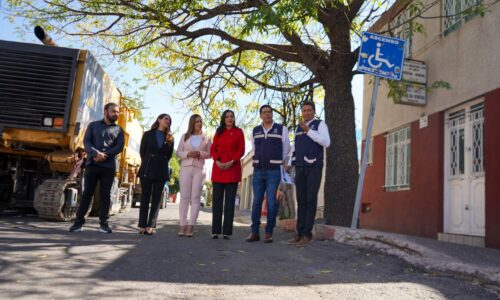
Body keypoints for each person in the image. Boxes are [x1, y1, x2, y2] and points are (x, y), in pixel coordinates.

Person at [69, 102, 125, 233]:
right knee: (87, 193)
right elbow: (87, 141)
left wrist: (104, 155)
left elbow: (119, 147)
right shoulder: (93, 126)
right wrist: (95, 153)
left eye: (117, 112)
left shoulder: (119, 130)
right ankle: (78, 223)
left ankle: (104, 224)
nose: (116, 114)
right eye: (113, 111)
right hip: (92, 164)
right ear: (105, 111)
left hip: (109, 166)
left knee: (106, 195)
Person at [288, 101, 330, 247]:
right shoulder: (299, 127)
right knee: (301, 201)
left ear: (314, 111)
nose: (307, 112)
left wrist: (309, 131)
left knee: (311, 200)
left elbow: (326, 142)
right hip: (300, 167)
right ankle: (299, 233)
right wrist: (290, 162)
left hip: (314, 167)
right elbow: (295, 147)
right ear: (302, 112)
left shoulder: (320, 124)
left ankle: (307, 234)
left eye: (309, 110)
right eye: (304, 110)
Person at [246, 105, 290, 243]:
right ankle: (254, 232)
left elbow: (286, 149)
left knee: (271, 202)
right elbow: (254, 148)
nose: (267, 114)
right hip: (258, 170)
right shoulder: (255, 131)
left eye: (269, 112)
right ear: (260, 116)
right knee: (256, 202)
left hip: (274, 171)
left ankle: (269, 233)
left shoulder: (281, 129)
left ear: (272, 114)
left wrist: (278, 162)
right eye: (264, 112)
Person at [210, 110, 245, 240]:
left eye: (232, 116)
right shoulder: (219, 132)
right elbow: (213, 149)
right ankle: (215, 230)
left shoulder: (239, 132)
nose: (230, 118)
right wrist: (217, 161)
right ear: (223, 119)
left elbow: (241, 150)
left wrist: (232, 161)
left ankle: (227, 232)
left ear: (234, 119)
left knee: (229, 203)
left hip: (233, 169)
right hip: (219, 169)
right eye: (227, 117)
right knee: (217, 202)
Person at [137, 114, 174, 235]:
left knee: (157, 198)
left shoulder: (170, 137)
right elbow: (142, 151)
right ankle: (142, 225)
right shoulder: (148, 134)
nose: (167, 121)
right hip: (147, 167)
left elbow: (168, 155)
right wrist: (149, 160)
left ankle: (151, 225)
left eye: (169, 120)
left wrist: (168, 142)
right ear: (159, 120)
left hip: (161, 169)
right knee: (145, 197)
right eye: (165, 119)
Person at [176, 114, 212, 237]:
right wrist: (188, 154)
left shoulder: (206, 138)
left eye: (201, 121)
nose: (199, 123)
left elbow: (210, 154)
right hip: (185, 168)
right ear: (192, 123)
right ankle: (182, 225)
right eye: (197, 121)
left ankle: (191, 226)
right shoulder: (184, 137)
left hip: (199, 169)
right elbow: (178, 152)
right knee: (184, 198)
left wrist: (200, 153)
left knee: (195, 198)